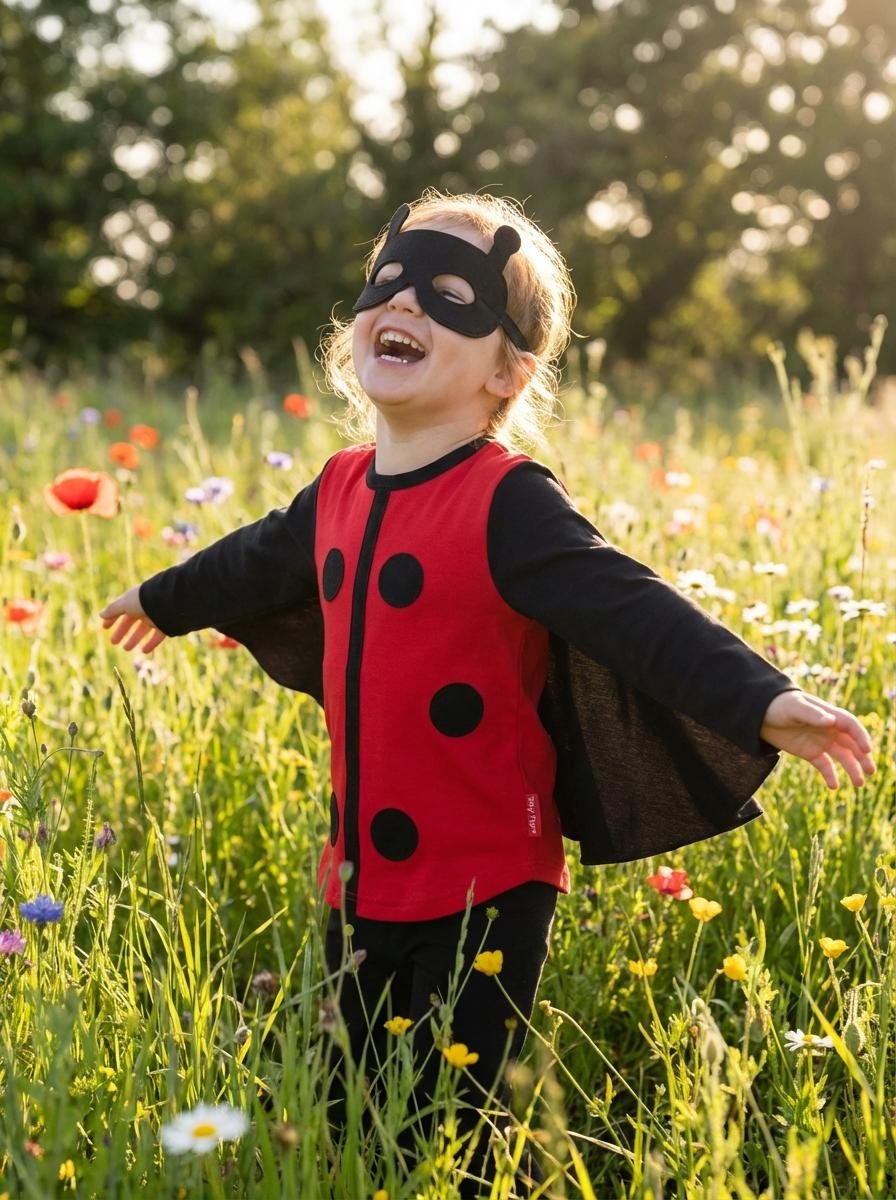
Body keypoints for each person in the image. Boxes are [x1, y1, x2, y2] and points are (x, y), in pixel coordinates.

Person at [99, 189, 876, 1196]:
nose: (406, 305)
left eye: (448, 294)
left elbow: (630, 608)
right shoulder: (334, 488)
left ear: (507, 369)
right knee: (345, 1110)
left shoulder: (508, 502)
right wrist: (162, 599)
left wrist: (763, 699)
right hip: (358, 877)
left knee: (454, 1132)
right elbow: (251, 565)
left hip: (486, 887)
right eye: (389, 283)